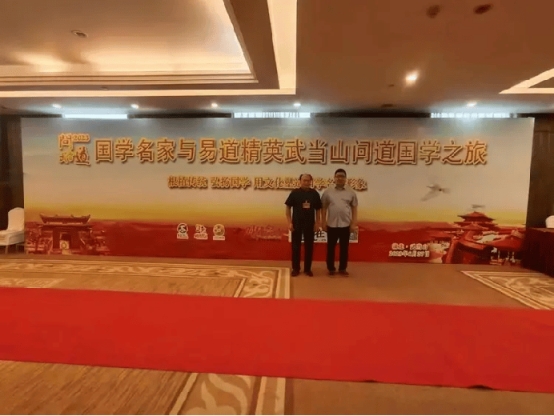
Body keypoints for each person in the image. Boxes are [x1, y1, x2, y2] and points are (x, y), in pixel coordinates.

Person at [321, 169, 358, 276]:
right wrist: (323, 222)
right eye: (338, 176)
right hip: (331, 224)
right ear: (334, 178)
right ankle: (331, 268)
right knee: (330, 248)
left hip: (345, 224)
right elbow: (323, 208)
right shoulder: (328, 192)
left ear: (345, 178)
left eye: (342, 176)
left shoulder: (351, 192)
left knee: (344, 248)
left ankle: (342, 268)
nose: (340, 178)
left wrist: (353, 223)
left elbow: (354, 208)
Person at [285, 174, 322, 276]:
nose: (306, 182)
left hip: (310, 224)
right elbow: (288, 208)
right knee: (295, 247)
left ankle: (307, 269)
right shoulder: (294, 193)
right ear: (300, 181)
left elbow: (318, 209)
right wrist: (289, 222)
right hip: (296, 224)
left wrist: (317, 223)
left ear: (311, 181)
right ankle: (296, 268)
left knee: (309, 247)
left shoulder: (314, 194)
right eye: (304, 180)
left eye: (308, 181)